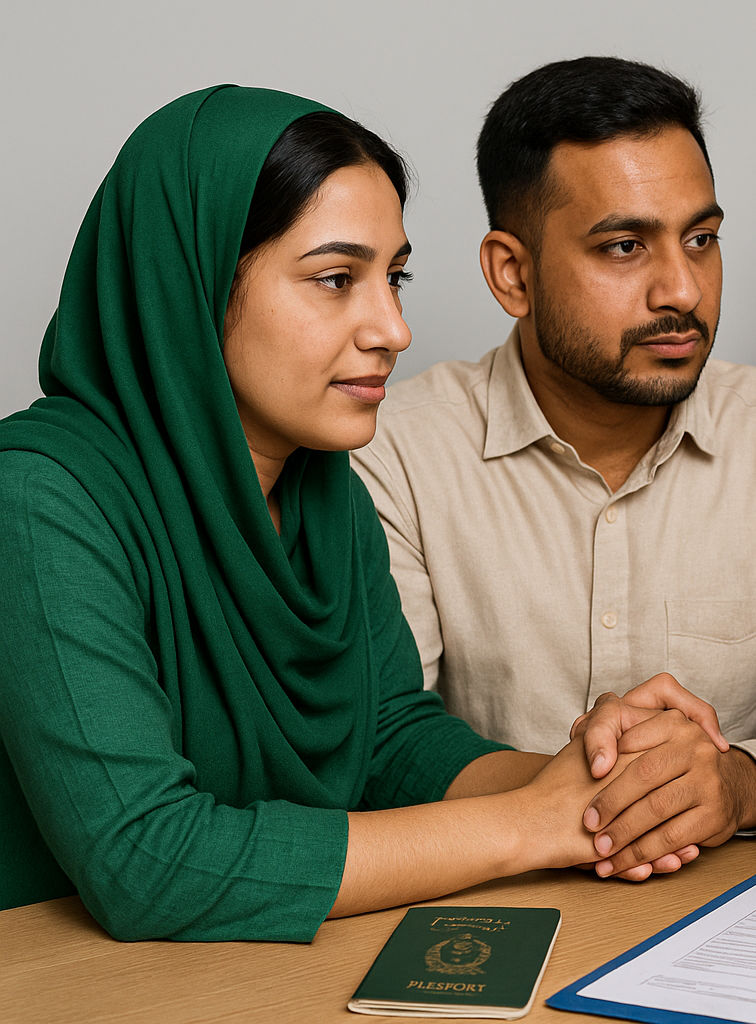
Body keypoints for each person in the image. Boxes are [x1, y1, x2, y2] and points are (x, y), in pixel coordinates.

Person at [0, 85, 691, 936]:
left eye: (393, 276)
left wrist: (606, 784)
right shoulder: (38, 499)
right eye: (336, 279)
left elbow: (389, 744)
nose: (394, 327)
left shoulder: (324, 487)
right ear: (194, 282)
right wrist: (529, 825)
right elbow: (147, 860)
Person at [350, 57, 756, 879]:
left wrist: (740, 782)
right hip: (483, 904)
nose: (681, 289)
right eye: (624, 246)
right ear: (512, 273)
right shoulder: (392, 455)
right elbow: (379, 731)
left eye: (701, 240)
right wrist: (612, 797)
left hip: (721, 916)